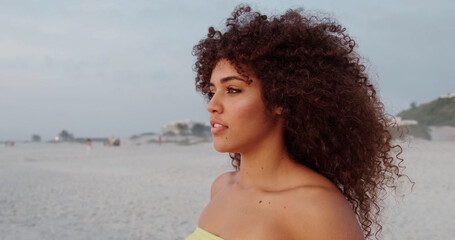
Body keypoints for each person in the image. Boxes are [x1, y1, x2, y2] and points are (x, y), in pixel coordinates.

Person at [187, 5, 408, 240]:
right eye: (212, 91)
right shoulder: (221, 188)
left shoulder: (317, 206)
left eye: (233, 89)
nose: (212, 105)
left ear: (279, 99)